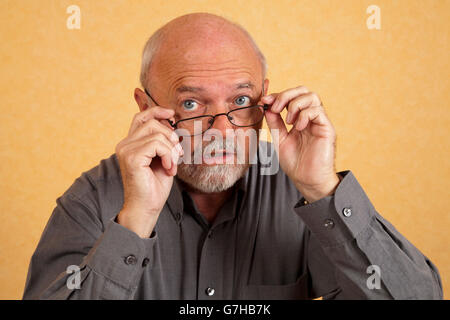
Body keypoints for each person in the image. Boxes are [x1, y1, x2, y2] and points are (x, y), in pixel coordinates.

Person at [23, 12, 442, 300]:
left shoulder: (300, 192)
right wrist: (133, 222)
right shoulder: (94, 200)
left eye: (242, 100)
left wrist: (322, 188)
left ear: (265, 97)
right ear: (145, 107)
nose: (223, 130)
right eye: (191, 105)